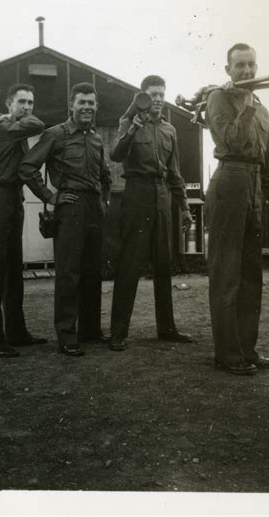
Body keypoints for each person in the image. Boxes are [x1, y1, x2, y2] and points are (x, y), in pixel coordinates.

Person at [205, 43, 269, 376]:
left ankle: (247, 351)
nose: (248, 72)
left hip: (253, 187)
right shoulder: (218, 99)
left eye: (252, 65)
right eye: (240, 66)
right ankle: (227, 355)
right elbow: (232, 143)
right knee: (227, 276)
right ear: (228, 69)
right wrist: (246, 106)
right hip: (230, 182)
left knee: (252, 276)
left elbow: (267, 162)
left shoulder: (263, 109)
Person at [19, 82, 112, 357]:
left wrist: (104, 201)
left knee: (92, 272)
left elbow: (105, 176)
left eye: (91, 103)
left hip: (94, 208)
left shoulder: (95, 139)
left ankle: (90, 331)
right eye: (81, 102)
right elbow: (27, 167)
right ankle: (67, 335)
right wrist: (50, 196)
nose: (86, 107)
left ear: (96, 107)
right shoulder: (55, 135)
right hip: (69, 208)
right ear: (71, 105)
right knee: (69, 273)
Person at [108, 75, 193, 351]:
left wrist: (184, 207)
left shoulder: (170, 130)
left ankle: (167, 329)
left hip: (162, 196)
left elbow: (175, 172)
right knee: (130, 264)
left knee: (163, 264)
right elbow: (116, 155)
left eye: (161, 94)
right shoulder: (128, 121)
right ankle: (118, 333)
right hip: (136, 193)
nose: (158, 99)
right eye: (152, 94)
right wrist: (132, 126)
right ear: (143, 96)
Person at [0, 83, 47, 358]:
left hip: (11, 197)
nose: (27, 107)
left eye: (30, 102)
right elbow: (39, 124)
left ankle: (17, 332)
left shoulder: (13, 129)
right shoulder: (5, 127)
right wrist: (19, 117)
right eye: (21, 102)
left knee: (12, 270)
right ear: (9, 103)